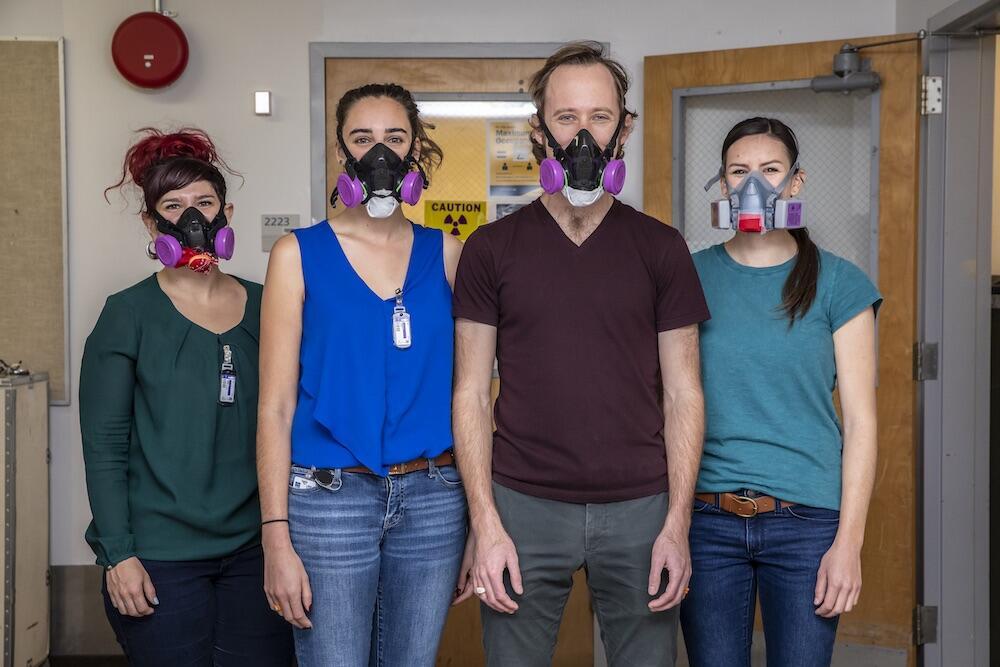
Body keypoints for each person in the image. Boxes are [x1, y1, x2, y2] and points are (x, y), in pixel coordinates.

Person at [452, 42, 710, 666]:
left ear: (624, 128)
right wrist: (485, 524)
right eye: (567, 118)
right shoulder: (490, 248)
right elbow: (468, 392)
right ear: (540, 131)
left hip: (640, 508)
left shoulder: (661, 248)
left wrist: (676, 522)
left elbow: (684, 392)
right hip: (521, 504)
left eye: (599, 117)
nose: (583, 135)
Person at [256, 83, 469, 667]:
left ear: (416, 151)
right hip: (328, 497)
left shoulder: (448, 254)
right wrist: (276, 535)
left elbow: (473, 392)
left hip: (433, 494)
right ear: (341, 152)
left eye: (396, 138)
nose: (381, 153)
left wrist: (482, 519)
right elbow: (274, 406)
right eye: (363, 138)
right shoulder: (296, 254)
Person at [81, 127, 293, 665]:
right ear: (152, 223)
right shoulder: (126, 314)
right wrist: (119, 554)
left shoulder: (269, 306)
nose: (192, 217)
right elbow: (105, 444)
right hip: (159, 556)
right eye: (173, 206)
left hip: (254, 549)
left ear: (227, 212)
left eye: (205, 201)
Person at [680, 117, 881, 667]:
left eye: (770, 171)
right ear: (721, 186)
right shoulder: (687, 277)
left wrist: (849, 544)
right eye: (739, 172)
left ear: (796, 183)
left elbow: (861, 422)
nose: (754, 186)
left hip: (807, 523)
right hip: (707, 519)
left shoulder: (840, 283)